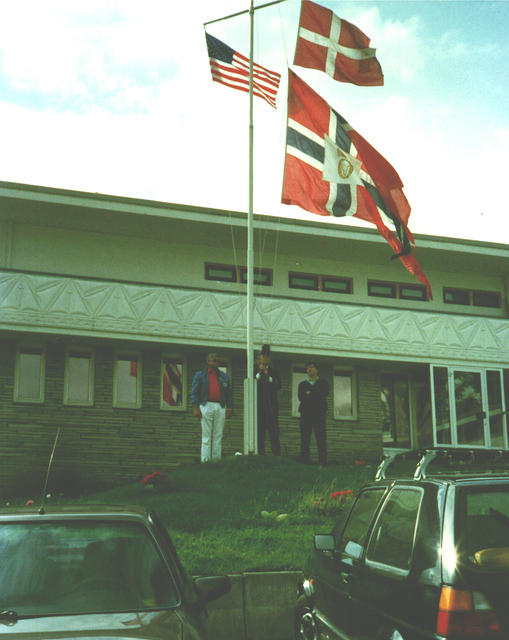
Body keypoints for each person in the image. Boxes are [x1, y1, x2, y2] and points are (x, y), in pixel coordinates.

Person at [191, 353, 232, 462]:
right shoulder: (200, 375)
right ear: (208, 362)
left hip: (220, 406)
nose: (215, 363)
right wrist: (196, 407)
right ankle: (205, 461)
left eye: (217, 361)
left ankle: (216, 461)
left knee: (218, 435)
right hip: (206, 405)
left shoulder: (224, 377)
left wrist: (229, 407)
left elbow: (229, 393)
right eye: (213, 360)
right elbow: (194, 392)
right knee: (206, 436)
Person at [298, 361, 329, 465]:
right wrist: (314, 393)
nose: (309, 369)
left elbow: (323, 394)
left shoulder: (323, 383)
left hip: (319, 413)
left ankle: (323, 462)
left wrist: (309, 394)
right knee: (305, 438)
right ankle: (304, 461)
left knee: (321, 438)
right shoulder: (302, 384)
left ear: (317, 370)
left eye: (311, 367)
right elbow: (301, 397)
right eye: (307, 368)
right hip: (306, 414)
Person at [255, 346, 281, 456]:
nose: (264, 359)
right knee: (260, 431)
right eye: (262, 357)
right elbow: (252, 381)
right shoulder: (254, 369)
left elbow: (278, 385)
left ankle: (276, 453)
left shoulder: (273, 371)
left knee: (273, 430)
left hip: (271, 406)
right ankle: (261, 453)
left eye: (266, 357)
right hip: (259, 406)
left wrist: (268, 376)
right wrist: (259, 374)